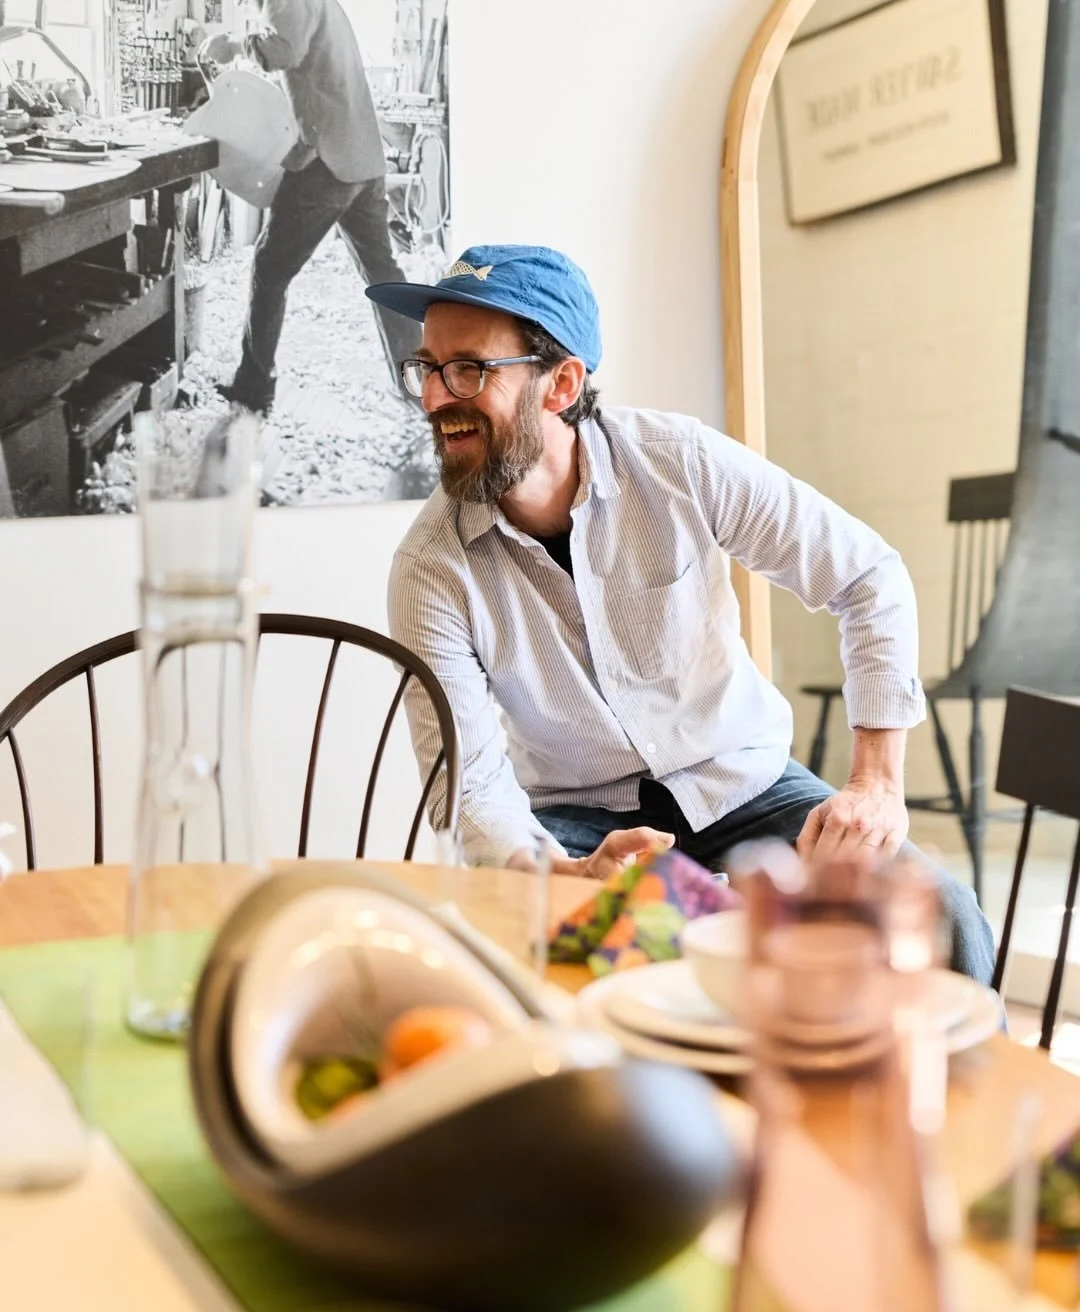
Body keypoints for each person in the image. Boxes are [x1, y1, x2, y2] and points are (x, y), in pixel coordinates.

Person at [367, 245, 996, 984]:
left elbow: (865, 575)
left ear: (560, 383)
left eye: (468, 368)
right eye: (427, 368)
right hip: (576, 818)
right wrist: (552, 873)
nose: (437, 397)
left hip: (749, 789)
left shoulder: (680, 463)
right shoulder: (429, 568)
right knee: (545, 961)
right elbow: (470, 781)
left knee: (944, 918)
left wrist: (876, 783)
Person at [202, 0, 420, 414]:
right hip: (362, 155)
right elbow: (315, 76)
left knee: (269, 267)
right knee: (383, 273)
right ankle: (419, 382)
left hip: (330, 165)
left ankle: (254, 386)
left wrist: (233, 45)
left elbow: (285, 50)